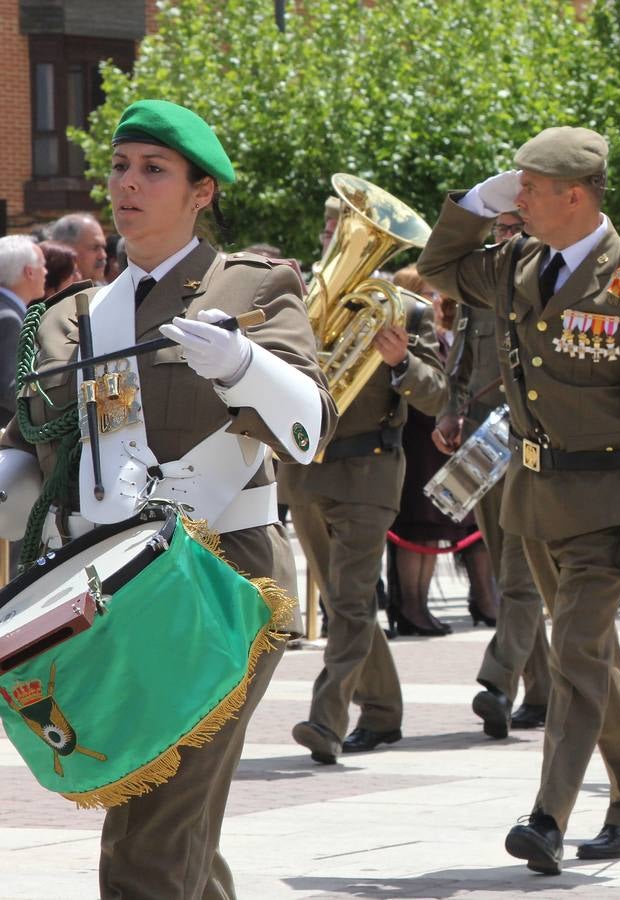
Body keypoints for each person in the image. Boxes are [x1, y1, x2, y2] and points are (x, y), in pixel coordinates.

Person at [0, 98, 331, 899]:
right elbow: (28, 460)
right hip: (110, 585)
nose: (129, 184)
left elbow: (312, 427)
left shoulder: (252, 284)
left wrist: (244, 364)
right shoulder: (70, 318)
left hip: (222, 577)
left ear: (201, 191)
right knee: (170, 820)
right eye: (120, 166)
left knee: (150, 836)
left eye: (154, 169)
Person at [418, 126, 620, 872]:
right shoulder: (515, 264)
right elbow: (437, 264)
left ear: (575, 195)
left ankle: (548, 817)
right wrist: (476, 201)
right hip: (532, 496)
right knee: (589, 661)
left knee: (573, 654)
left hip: (607, 499)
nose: (520, 200)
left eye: (531, 188)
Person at [286, 230, 450, 763]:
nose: (339, 242)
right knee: (341, 603)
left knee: (352, 603)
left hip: (369, 473)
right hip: (308, 472)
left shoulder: (407, 312)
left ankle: (326, 720)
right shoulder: (299, 305)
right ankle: (382, 712)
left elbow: (436, 392)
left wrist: (401, 362)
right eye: (334, 231)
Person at [436, 204, 551, 740]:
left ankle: (498, 682)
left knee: (523, 573)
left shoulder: (557, 285)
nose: (502, 240)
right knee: (509, 572)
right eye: (499, 230)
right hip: (485, 446)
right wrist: (448, 413)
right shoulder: (480, 290)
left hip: (538, 445)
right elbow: (459, 365)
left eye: (513, 230)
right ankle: (545, 690)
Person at [387, 266, 497, 632]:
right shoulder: (410, 336)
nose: (436, 301)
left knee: (449, 529)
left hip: (443, 447)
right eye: (428, 294)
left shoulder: (444, 335)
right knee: (418, 531)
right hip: (419, 444)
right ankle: (411, 608)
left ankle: (476, 601)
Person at [0, 236, 46, 419]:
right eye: (42, 265)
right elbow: (10, 389)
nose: (46, 272)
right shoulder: (9, 318)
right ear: (29, 272)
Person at [46, 212, 108, 283]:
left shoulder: (107, 292)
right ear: (66, 248)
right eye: (95, 248)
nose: (103, 255)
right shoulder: (40, 292)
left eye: (103, 247)